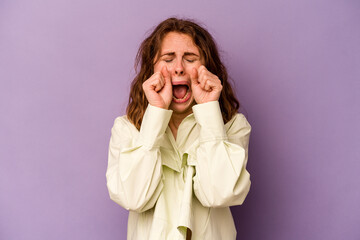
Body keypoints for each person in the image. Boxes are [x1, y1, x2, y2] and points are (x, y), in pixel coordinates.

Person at [106, 17, 252, 240]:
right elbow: (133, 198)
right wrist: (155, 113)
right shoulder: (126, 129)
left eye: (191, 59)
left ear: (208, 69)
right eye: (168, 58)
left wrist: (209, 110)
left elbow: (220, 194)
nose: (179, 68)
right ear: (151, 68)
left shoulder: (233, 126)